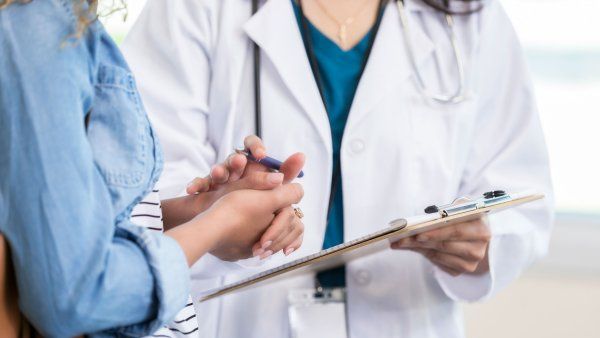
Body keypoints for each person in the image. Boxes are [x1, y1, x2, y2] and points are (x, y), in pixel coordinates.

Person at [122, 0, 554, 337]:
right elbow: (138, 191)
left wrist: (482, 244)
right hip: (241, 323)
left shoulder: (468, 17)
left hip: (406, 316)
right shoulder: (192, 9)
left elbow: (519, 190)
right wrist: (214, 212)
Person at [0, 0, 306, 336]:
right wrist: (220, 222)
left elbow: (80, 223)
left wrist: (199, 210)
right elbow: (75, 296)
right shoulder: (38, 23)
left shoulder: (63, 21)